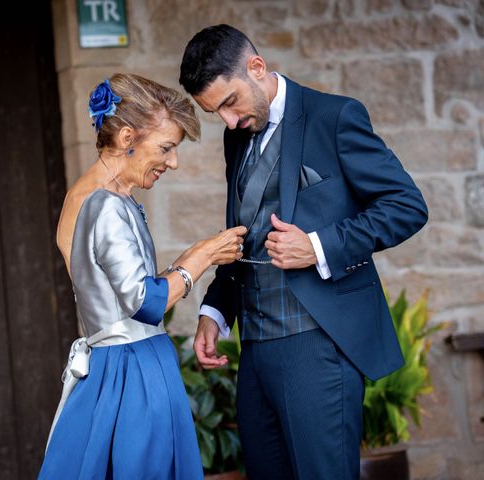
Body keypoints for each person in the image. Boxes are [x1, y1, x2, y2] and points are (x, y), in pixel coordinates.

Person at [179, 25, 428, 480]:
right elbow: (244, 229)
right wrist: (214, 312)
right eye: (215, 112)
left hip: (318, 346)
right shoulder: (237, 136)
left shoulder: (334, 117)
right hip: (255, 352)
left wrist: (316, 247)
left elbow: (407, 206)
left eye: (230, 102)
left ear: (257, 68)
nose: (229, 121)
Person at [38, 73, 247, 480]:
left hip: (127, 362)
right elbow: (142, 304)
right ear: (127, 136)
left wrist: (185, 261)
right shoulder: (101, 203)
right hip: (130, 370)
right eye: (166, 148)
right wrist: (201, 257)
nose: (173, 161)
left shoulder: (106, 196)